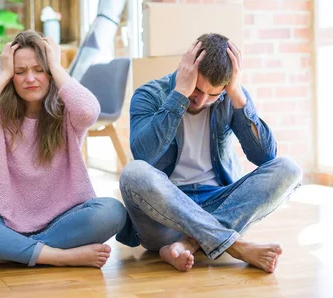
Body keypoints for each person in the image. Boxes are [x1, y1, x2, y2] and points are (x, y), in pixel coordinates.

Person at [0, 30, 126, 269]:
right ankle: (58, 256)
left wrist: (57, 66)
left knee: (112, 211)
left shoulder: (67, 111)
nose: (30, 78)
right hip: (5, 222)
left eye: (39, 69)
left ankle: (8, 251)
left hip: (64, 218)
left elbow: (89, 111)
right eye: (20, 72)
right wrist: (3, 73)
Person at [116, 33, 302, 273]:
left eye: (213, 94)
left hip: (218, 206)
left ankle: (191, 242)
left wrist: (236, 94)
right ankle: (233, 245)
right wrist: (180, 95)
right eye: (196, 88)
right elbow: (144, 154)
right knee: (134, 172)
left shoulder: (231, 96)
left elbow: (265, 157)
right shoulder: (149, 94)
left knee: (289, 168)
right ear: (186, 69)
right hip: (164, 216)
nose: (201, 100)